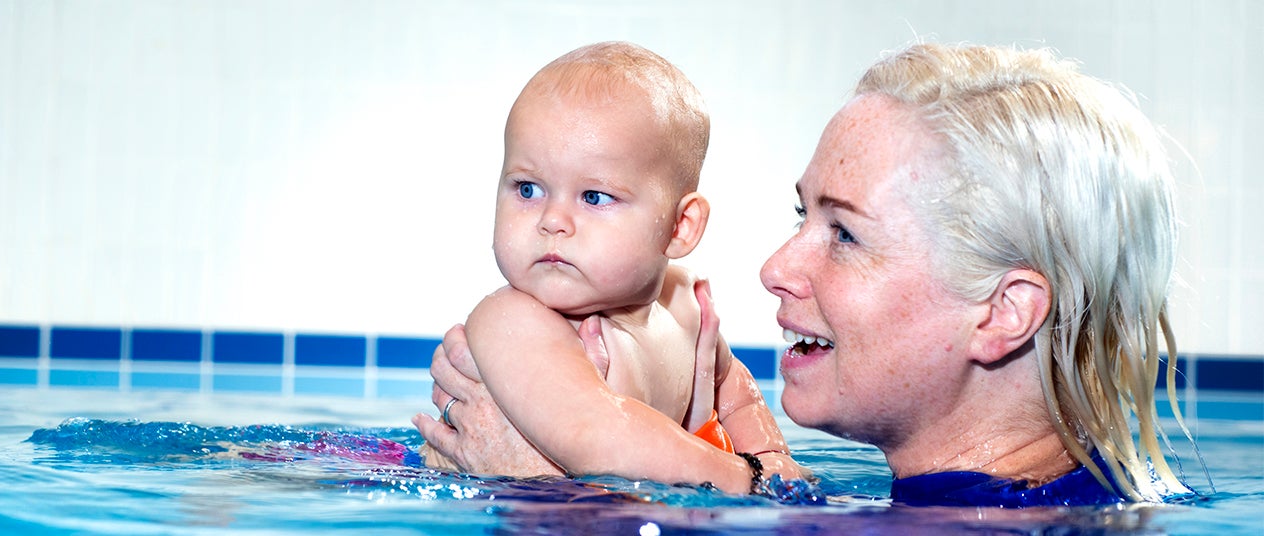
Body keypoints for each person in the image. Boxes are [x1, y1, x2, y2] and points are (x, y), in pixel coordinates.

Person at [421, 42, 1200, 507]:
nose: (773, 268)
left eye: (845, 234)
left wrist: (552, 498)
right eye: (803, 218)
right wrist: (751, 465)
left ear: (1003, 312)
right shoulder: (1084, 500)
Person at [411, 41, 808, 492]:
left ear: (680, 226)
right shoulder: (515, 320)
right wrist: (742, 479)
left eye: (594, 197)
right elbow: (593, 434)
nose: (553, 221)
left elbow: (734, 393)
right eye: (527, 189)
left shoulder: (683, 305)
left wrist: (771, 460)